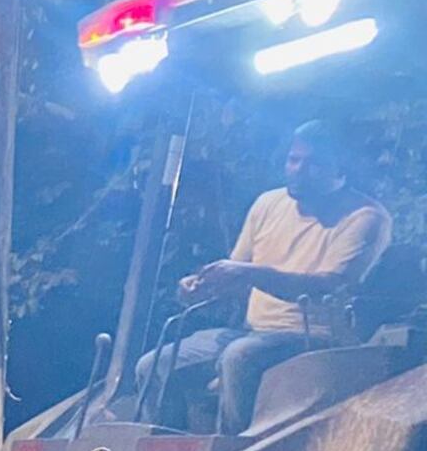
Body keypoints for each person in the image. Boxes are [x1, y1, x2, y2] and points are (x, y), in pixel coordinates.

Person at [137, 121, 393, 433]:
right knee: (154, 366)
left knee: (238, 358)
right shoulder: (268, 204)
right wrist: (200, 286)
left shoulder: (366, 217)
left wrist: (251, 273)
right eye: (294, 159)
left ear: (340, 170)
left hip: (314, 338)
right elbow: (237, 273)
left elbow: (328, 285)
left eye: (313, 164)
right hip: (252, 331)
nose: (298, 169)